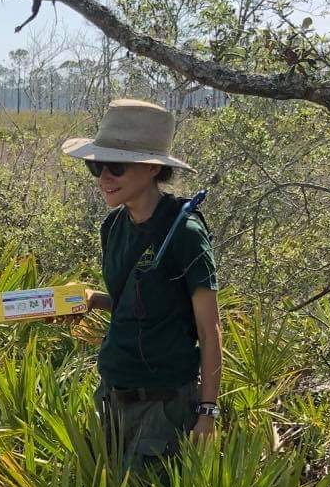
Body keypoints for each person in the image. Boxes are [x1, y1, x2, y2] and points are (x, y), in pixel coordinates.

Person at [62, 98, 222, 467]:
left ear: (151, 168)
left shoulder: (185, 233)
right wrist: (91, 299)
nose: (104, 178)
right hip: (112, 396)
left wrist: (207, 413)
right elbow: (136, 302)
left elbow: (209, 330)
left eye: (116, 167)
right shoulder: (113, 227)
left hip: (163, 408)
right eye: (96, 166)